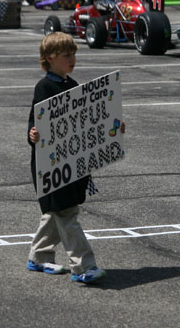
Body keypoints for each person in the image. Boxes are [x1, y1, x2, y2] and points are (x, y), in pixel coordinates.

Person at [26, 32, 124, 283]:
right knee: (65, 213)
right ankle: (83, 266)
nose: (72, 59)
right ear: (49, 59)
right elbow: (35, 124)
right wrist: (33, 135)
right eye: (66, 55)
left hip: (71, 163)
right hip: (50, 166)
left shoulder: (72, 86)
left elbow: (85, 124)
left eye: (74, 55)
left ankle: (39, 257)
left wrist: (111, 128)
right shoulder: (44, 87)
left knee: (55, 212)